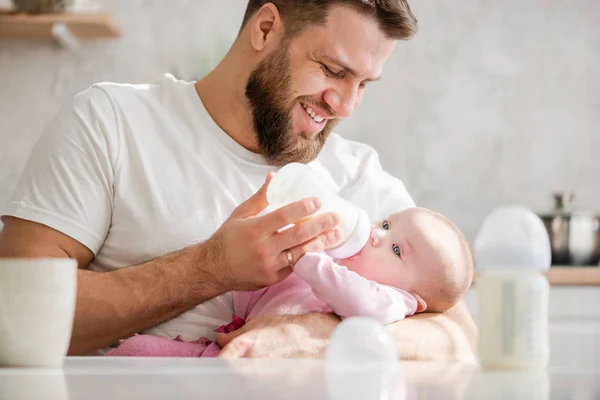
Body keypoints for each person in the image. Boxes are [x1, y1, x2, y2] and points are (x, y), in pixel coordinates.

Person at [0, 0, 477, 361]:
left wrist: (314, 333)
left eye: (364, 85)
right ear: (266, 28)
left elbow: (458, 338)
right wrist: (208, 269)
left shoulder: (362, 177)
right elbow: (12, 316)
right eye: (333, 70)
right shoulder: (111, 122)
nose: (346, 105)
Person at [105, 206, 474, 357]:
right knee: (135, 354)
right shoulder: (335, 259)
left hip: (297, 380)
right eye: (386, 224)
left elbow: (360, 305)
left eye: (396, 250)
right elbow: (252, 291)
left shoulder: (393, 302)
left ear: (415, 298)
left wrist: (307, 258)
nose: (376, 235)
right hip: (224, 350)